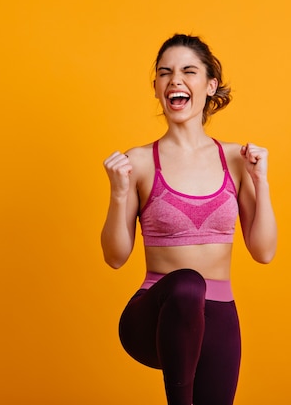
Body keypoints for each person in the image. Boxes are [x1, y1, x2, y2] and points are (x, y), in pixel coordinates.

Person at [101, 34, 277, 405]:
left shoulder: (235, 159)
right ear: (156, 88)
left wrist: (260, 181)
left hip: (217, 320)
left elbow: (263, 251)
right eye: (165, 73)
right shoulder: (140, 162)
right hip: (155, 316)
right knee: (187, 285)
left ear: (210, 85)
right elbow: (115, 257)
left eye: (188, 71)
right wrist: (119, 193)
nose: (175, 80)